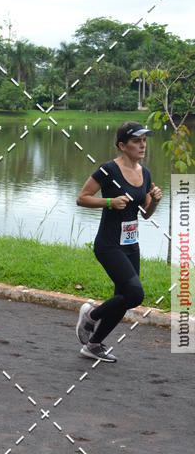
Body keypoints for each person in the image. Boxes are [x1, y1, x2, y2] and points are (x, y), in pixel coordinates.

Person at [75, 121, 163, 362]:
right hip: (108, 244)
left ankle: (92, 345)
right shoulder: (107, 171)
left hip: (131, 245)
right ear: (122, 145)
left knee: (123, 300)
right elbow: (82, 198)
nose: (142, 145)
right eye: (137, 141)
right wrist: (109, 202)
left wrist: (154, 200)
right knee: (135, 294)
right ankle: (91, 315)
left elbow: (145, 213)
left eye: (144, 140)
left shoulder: (145, 173)